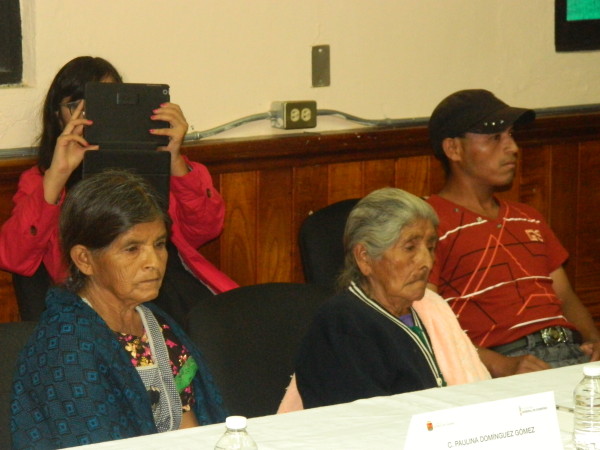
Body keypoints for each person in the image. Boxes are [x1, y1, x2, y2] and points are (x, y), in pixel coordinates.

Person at [0, 56, 237, 324]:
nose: (89, 115)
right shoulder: (42, 180)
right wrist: (57, 176)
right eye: (76, 105)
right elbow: (14, 258)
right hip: (102, 305)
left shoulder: (153, 163)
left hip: (168, 290)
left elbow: (207, 229)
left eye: (102, 101)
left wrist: (175, 161)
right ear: (58, 115)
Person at [10, 170, 226, 448]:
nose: (154, 262)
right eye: (132, 249)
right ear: (85, 259)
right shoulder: (66, 350)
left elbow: (189, 426)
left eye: (159, 244)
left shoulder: (155, 324)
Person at [426, 89, 600, 377]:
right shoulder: (427, 221)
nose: (513, 148)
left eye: (511, 135)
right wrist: (500, 365)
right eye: (495, 138)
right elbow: (424, 320)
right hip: (504, 361)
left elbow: (565, 298)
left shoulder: (528, 217)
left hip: (572, 352)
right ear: (453, 149)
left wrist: (594, 340)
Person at [279, 188, 490, 410]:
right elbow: (360, 424)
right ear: (365, 258)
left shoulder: (431, 307)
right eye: (410, 248)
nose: (427, 261)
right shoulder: (342, 324)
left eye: (431, 247)